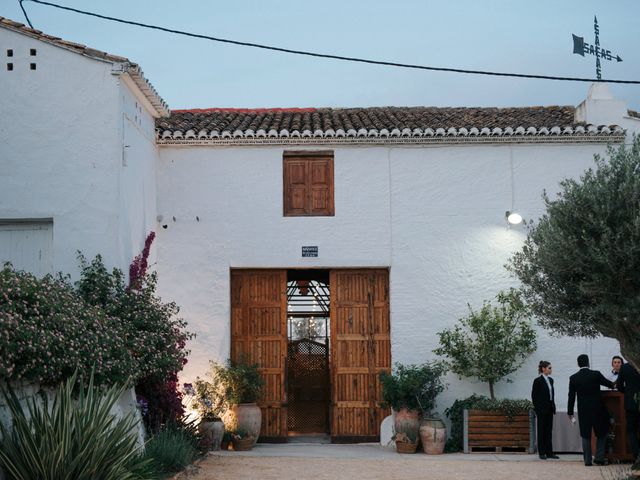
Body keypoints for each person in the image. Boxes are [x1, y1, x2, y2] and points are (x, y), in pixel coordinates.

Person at [567, 354, 615, 466]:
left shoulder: (573, 378)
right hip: (598, 408)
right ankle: (599, 458)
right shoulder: (596, 374)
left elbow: (571, 396)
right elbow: (610, 384)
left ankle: (587, 461)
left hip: (583, 410)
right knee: (602, 433)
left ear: (578, 364)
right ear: (588, 363)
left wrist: (570, 412)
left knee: (585, 434)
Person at [531, 360, 558, 459]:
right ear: (543, 369)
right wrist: (537, 409)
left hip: (550, 408)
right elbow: (534, 396)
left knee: (548, 431)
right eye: (549, 368)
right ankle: (541, 452)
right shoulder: (537, 381)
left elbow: (551, 395)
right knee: (541, 430)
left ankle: (549, 452)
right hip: (541, 409)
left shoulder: (551, 380)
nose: (551, 370)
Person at [616, 361, 640, 461]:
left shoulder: (625, 367)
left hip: (631, 403)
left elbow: (619, 385)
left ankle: (637, 455)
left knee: (631, 430)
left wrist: (629, 392)